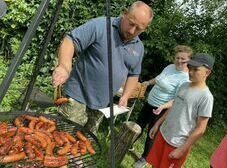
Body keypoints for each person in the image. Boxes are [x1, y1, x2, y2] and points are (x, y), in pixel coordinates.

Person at [51, 1, 153, 134]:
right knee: (63, 138)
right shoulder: (101, 25)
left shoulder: (139, 47)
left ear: (145, 28)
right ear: (125, 13)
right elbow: (70, 41)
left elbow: (134, 74)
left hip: (102, 105)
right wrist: (64, 66)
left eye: (138, 28)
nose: (132, 31)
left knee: (85, 142)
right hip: (77, 96)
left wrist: (126, 96)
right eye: (131, 23)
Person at [146, 53, 215, 168]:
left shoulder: (206, 97)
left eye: (196, 70)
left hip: (177, 144)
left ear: (207, 72)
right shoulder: (184, 85)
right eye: (190, 68)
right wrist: (158, 124)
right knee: (155, 167)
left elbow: (201, 129)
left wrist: (182, 149)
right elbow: (174, 107)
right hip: (164, 134)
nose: (190, 72)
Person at [132, 45, 193, 168]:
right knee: (138, 125)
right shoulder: (170, 67)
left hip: (161, 109)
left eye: (183, 59)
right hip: (150, 102)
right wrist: (148, 83)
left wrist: (163, 106)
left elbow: (177, 100)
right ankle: (127, 144)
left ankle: (144, 158)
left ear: (189, 61)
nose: (179, 61)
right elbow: (159, 78)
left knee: (151, 134)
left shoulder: (186, 78)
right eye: (177, 58)